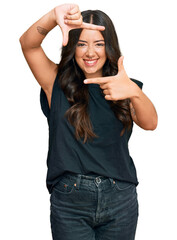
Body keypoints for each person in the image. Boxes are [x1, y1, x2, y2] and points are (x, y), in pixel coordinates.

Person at [19, 3, 158, 240]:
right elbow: (28, 44)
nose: (90, 52)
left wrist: (134, 92)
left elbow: (151, 123)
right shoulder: (55, 83)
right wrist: (54, 16)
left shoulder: (124, 86)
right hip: (71, 201)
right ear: (72, 47)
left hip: (120, 200)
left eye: (99, 44)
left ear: (109, 47)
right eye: (82, 44)